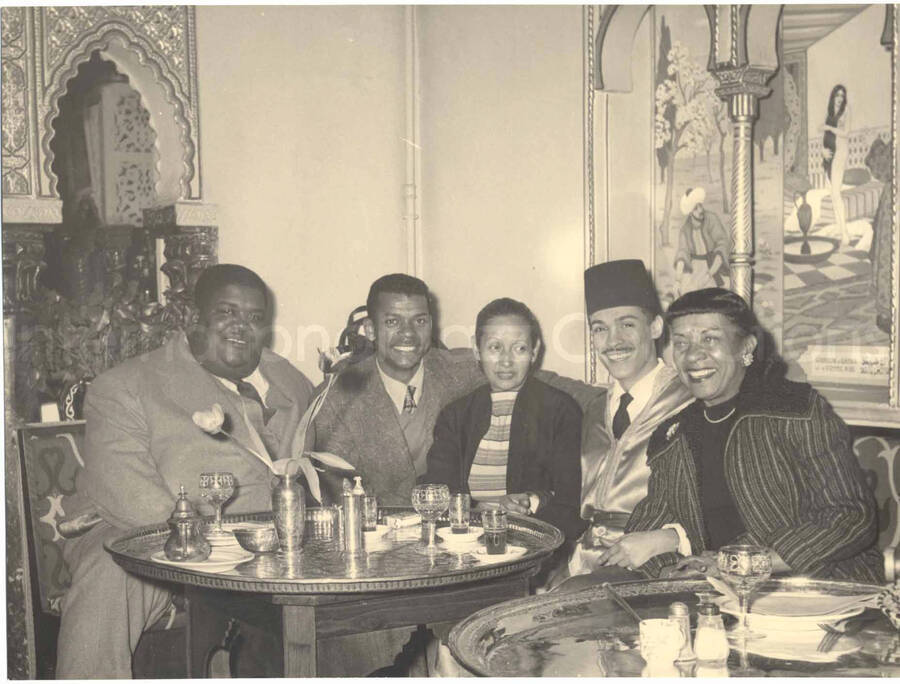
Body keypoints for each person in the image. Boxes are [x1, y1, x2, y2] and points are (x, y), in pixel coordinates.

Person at [56, 264, 315, 678]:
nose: (241, 327)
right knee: (108, 574)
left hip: (271, 541)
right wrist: (216, 548)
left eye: (253, 318)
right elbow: (129, 496)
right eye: (227, 312)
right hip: (152, 535)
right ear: (193, 318)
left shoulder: (289, 379)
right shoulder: (125, 385)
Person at [596, 287, 883, 584]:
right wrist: (670, 570)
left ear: (746, 348)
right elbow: (649, 525)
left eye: (710, 339)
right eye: (681, 343)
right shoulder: (674, 434)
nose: (693, 355)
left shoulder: (794, 409)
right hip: (717, 596)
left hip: (813, 588)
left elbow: (851, 518)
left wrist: (743, 564)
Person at [307, 273, 484, 506]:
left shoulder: (462, 372)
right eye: (393, 322)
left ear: (430, 325)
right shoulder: (334, 399)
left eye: (419, 321)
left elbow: (536, 381)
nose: (408, 333)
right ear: (370, 330)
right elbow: (328, 496)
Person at [564, 260, 692, 583]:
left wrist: (667, 538)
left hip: (656, 567)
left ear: (656, 328)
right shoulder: (595, 408)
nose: (613, 340)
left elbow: (718, 508)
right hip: (584, 565)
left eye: (627, 325)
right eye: (600, 328)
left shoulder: (688, 400)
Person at [424, 297, 585, 539]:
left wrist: (533, 502)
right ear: (477, 350)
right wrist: (477, 511)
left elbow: (571, 497)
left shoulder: (560, 410)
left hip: (532, 544)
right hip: (463, 542)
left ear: (535, 351)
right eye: (495, 347)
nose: (506, 361)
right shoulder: (455, 415)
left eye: (519, 348)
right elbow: (439, 490)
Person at [673, 187, 732, 295]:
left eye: (700, 205)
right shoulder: (685, 229)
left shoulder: (711, 219)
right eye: (696, 208)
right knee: (686, 293)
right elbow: (682, 253)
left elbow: (722, 244)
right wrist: (677, 280)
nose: (700, 210)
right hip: (694, 269)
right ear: (690, 212)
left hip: (714, 265)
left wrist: (710, 274)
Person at [821, 84, 851, 247]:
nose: (839, 98)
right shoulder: (829, 111)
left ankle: (845, 234)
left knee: (835, 192)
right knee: (833, 194)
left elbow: (846, 133)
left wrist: (829, 128)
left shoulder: (846, 110)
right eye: (837, 95)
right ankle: (840, 230)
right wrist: (822, 150)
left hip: (840, 153)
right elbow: (823, 131)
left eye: (842, 95)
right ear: (833, 96)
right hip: (829, 153)